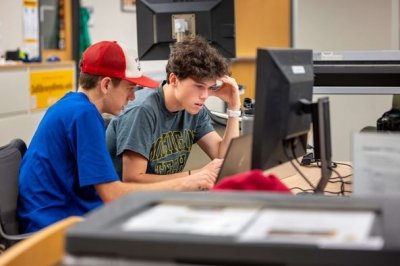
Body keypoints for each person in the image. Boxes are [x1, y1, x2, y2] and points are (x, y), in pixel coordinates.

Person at [18, 41, 216, 234]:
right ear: (106, 85)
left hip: (68, 212)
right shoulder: (83, 115)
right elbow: (112, 194)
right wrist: (187, 182)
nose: (132, 97)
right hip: (50, 226)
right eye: (130, 88)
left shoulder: (75, 106)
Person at [106, 35, 241, 186]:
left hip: (164, 195)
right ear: (174, 80)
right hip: (127, 203)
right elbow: (132, 179)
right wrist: (195, 176)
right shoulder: (143, 110)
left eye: (209, 88)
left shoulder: (194, 108)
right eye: (199, 86)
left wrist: (233, 107)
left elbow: (224, 157)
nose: (205, 96)